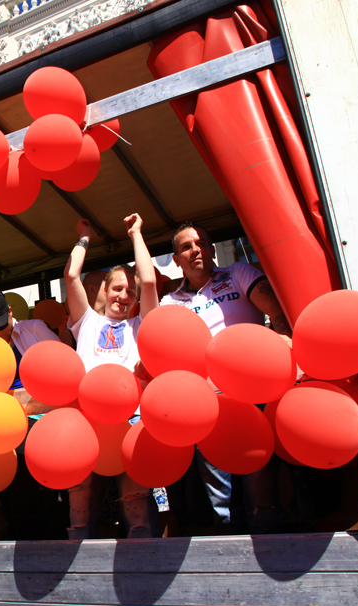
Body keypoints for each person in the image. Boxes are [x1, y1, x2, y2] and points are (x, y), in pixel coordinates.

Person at [161, 224, 291, 534]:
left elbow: (276, 313)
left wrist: (285, 339)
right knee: (220, 500)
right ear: (177, 260)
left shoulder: (238, 273)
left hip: (252, 394)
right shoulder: (170, 303)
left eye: (202, 243)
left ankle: (268, 549)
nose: (196, 249)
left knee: (261, 490)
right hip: (206, 403)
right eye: (187, 246)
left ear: (212, 249)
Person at [64, 214, 159, 540]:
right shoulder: (85, 321)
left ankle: (144, 576)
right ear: (103, 289)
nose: (124, 295)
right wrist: (84, 237)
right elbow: (71, 274)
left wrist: (136, 234)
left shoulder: (140, 326)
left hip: (131, 426)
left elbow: (149, 282)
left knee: (139, 517)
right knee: (79, 519)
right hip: (86, 428)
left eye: (129, 291)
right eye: (118, 288)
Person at [0, 291, 64, 539]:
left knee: (48, 495)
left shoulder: (33, 329)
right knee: (17, 495)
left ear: (11, 311)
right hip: (9, 426)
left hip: (45, 420)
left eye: (1, 326)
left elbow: (62, 365)